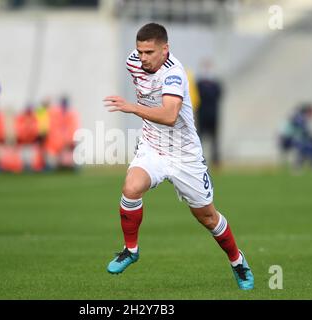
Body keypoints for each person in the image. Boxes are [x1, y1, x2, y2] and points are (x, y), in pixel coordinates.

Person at [103, 23, 253, 290]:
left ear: (165, 49)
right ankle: (131, 249)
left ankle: (237, 261)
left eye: (149, 52)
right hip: (153, 147)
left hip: (185, 156)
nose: (143, 57)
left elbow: (170, 116)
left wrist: (132, 108)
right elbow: (142, 77)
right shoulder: (133, 63)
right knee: (131, 187)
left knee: (207, 217)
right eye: (139, 51)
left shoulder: (175, 74)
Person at [196, 59, 223, 167]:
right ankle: (199, 160)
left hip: (213, 115)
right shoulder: (198, 84)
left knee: (215, 139)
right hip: (202, 115)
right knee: (200, 139)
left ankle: (215, 161)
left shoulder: (216, 84)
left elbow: (219, 96)